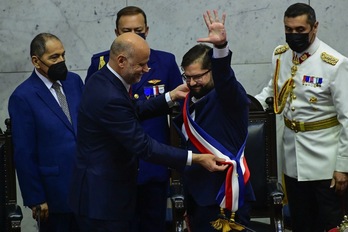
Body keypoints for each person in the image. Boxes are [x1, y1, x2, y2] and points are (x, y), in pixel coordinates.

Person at [68, 32, 228, 232]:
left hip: (107, 195)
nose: (147, 69)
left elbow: (134, 110)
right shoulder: (109, 94)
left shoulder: (103, 79)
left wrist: (170, 96)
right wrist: (195, 158)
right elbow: (144, 146)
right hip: (102, 202)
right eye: (141, 64)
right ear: (121, 61)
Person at [85, 6, 183, 231]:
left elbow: (178, 110)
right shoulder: (100, 64)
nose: (133, 34)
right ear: (116, 33)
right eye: (126, 30)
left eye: (138, 30)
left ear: (147, 30)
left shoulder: (165, 62)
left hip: (153, 164)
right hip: (114, 167)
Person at [255, 3, 348, 231]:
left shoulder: (334, 64)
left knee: (330, 223)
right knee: (301, 222)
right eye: (288, 30)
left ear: (314, 27)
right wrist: (243, 103)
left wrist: (343, 166)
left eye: (299, 30)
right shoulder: (281, 56)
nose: (293, 35)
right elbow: (271, 93)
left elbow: (347, 118)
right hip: (292, 158)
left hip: (325, 162)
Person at [172, 10, 254, 231]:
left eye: (198, 76)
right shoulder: (188, 99)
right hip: (195, 195)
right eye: (187, 76)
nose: (191, 82)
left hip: (226, 195)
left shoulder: (229, 97)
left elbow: (225, 77)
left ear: (213, 72)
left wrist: (221, 48)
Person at [8, 33, 83, 231]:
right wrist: (36, 198)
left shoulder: (74, 82)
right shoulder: (23, 97)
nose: (62, 61)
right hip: (54, 194)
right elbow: (24, 153)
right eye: (54, 57)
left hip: (86, 189)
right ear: (36, 61)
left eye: (63, 55)